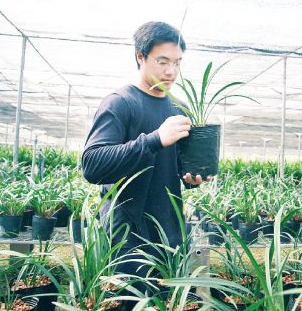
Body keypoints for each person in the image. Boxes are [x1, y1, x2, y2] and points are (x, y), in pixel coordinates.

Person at [81, 21, 208, 279]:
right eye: (162, 61)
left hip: (171, 234)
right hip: (125, 240)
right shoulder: (120, 103)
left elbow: (176, 169)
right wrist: (154, 139)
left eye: (177, 62)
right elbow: (92, 165)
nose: (171, 71)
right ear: (141, 56)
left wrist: (193, 178)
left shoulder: (181, 110)